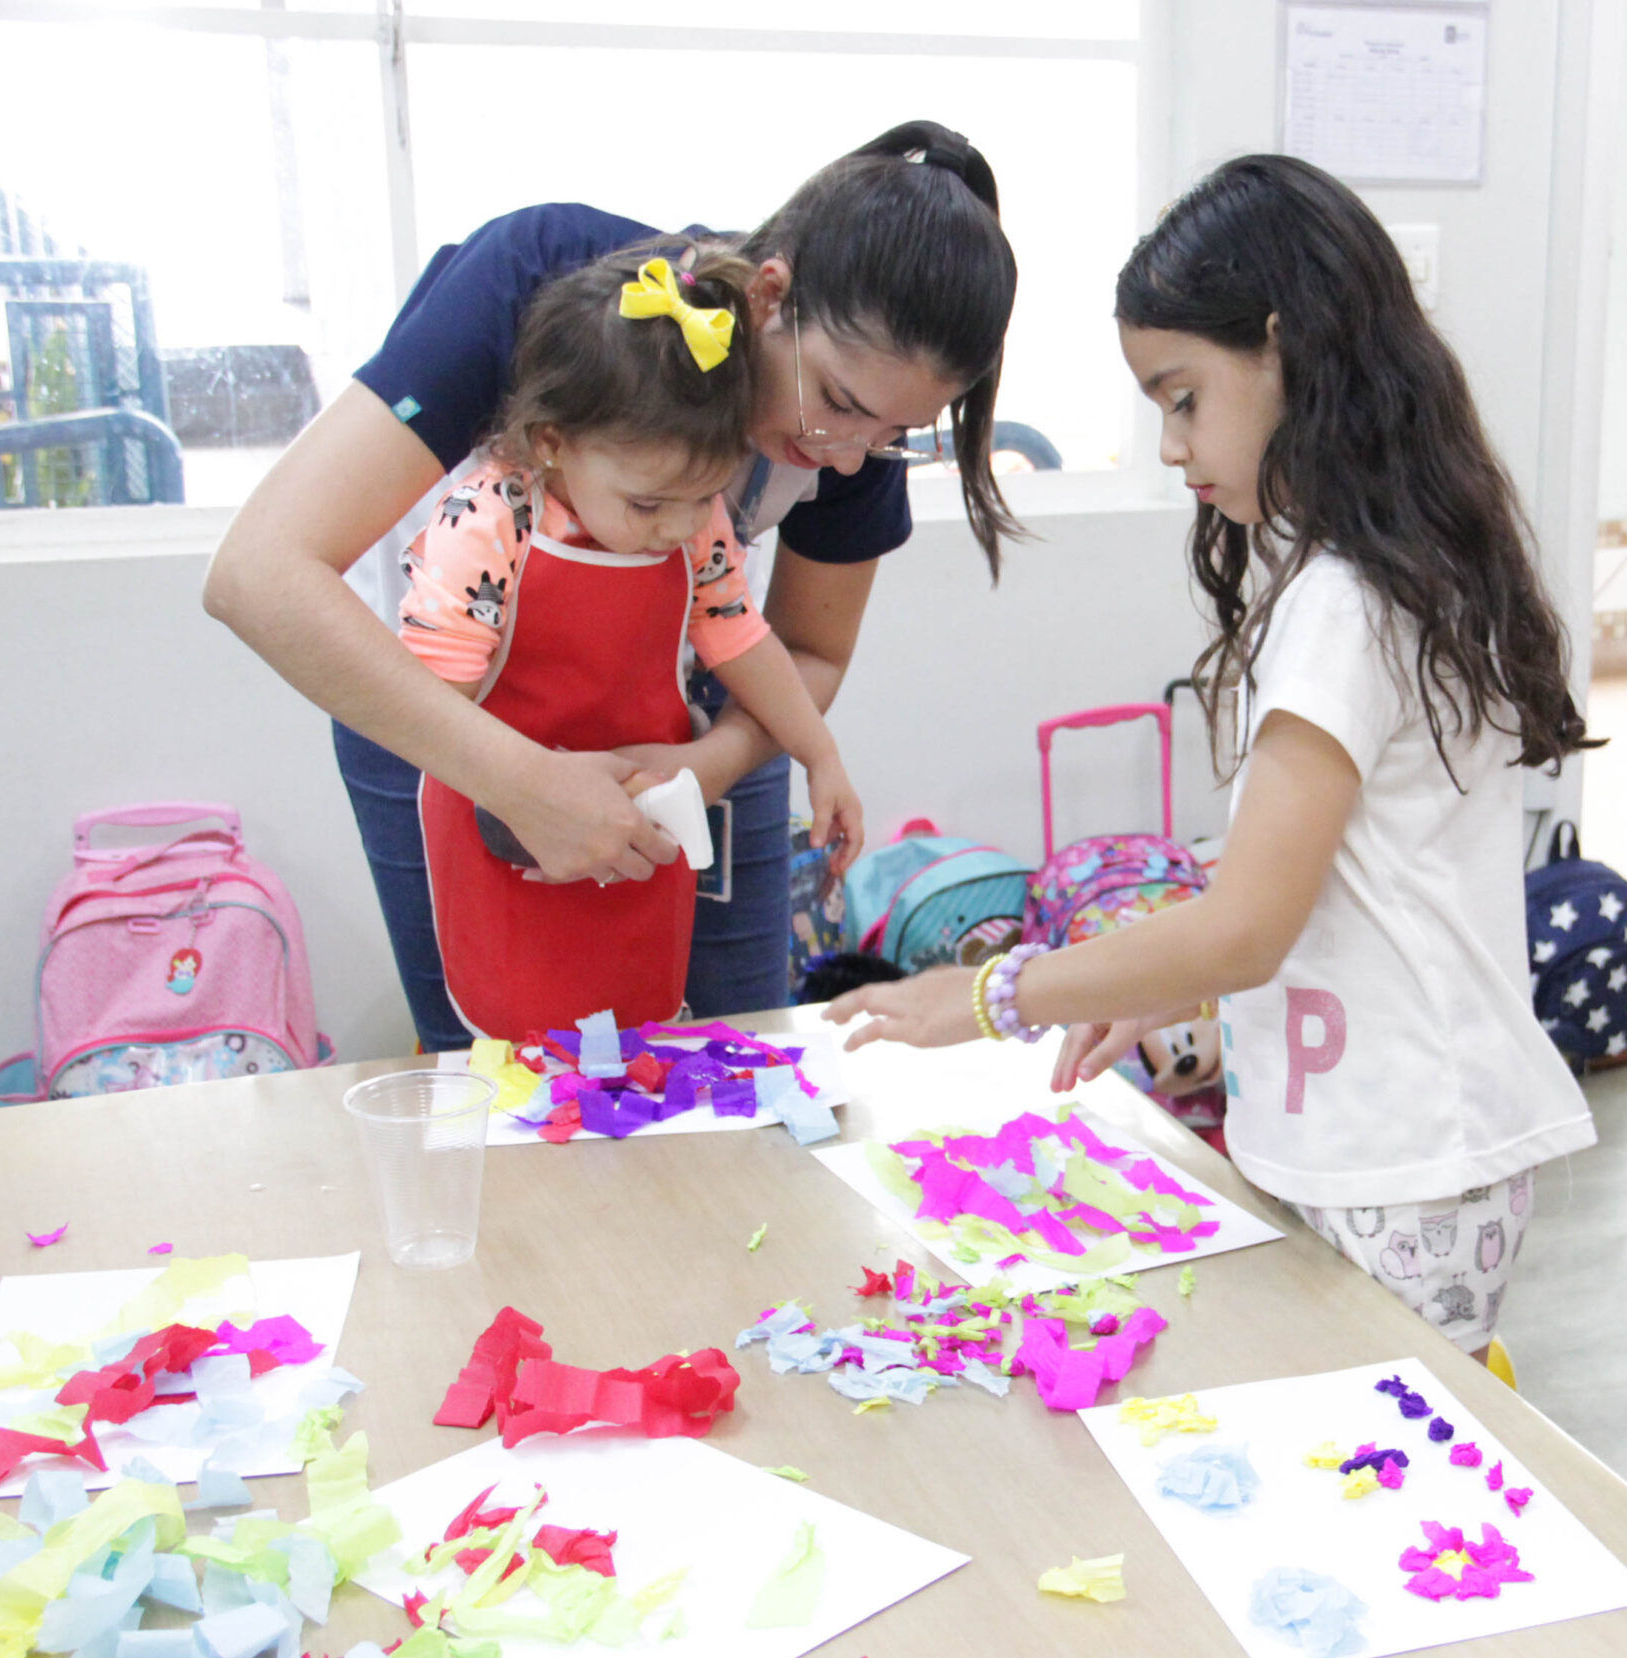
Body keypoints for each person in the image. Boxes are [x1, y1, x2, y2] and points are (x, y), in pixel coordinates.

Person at [825, 155, 1598, 1359]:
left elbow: (1246, 928)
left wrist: (986, 995)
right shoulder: (1387, 574)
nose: (1174, 446)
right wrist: (1156, 985)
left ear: (1286, 348)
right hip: (1389, 1141)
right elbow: (1339, 896)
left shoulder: (1343, 603)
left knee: (1393, 1425)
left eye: (1184, 399)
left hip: (1403, 1155)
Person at [204, 120, 1021, 1051]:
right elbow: (258, 573)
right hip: (442, 698)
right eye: (837, 403)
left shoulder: (855, 433)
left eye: (889, 437)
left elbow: (804, 650)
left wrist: (705, 766)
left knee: (722, 1049)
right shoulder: (545, 287)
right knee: (505, 1062)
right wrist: (517, 781)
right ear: (769, 295)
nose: (844, 458)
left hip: (682, 709)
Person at [396, 249, 863, 1040]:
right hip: (505, 831)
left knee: (638, 1032)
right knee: (519, 1051)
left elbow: (742, 637)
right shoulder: (487, 524)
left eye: (702, 497)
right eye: (648, 505)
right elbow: (431, 707)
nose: (679, 526)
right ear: (553, 441)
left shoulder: (691, 520)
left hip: (644, 834)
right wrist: (527, 791)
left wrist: (820, 754)